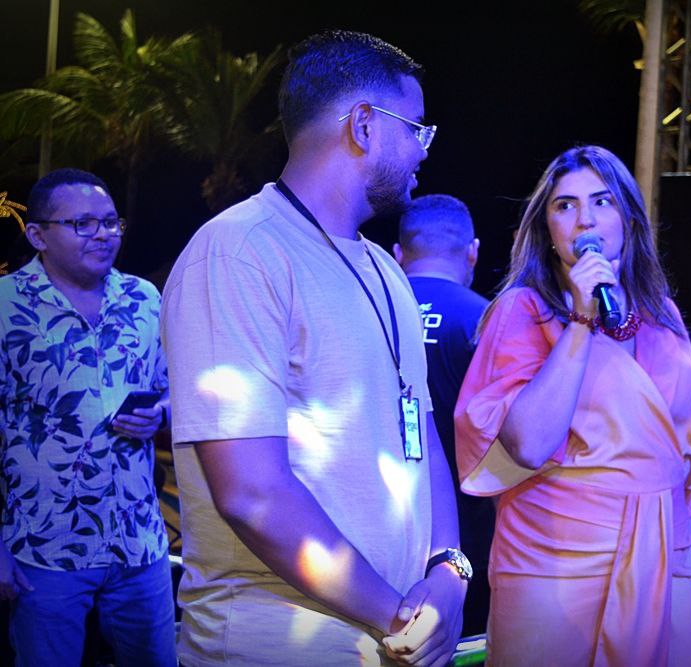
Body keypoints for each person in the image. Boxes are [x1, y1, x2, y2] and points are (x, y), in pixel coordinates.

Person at [161, 30, 466, 666]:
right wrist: (397, 615)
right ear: (363, 125)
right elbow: (252, 493)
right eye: (416, 128)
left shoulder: (385, 270)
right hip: (273, 647)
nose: (423, 149)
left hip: (390, 641)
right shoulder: (239, 253)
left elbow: (422, 434)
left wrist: (448, 569)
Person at [454, 145, 691, 666]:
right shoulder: (522, 311)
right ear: (548, 230)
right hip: (556, 568)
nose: (586, 219)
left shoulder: (663, 315)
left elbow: (687, 461)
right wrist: (580, 321)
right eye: (566, 206)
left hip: (667, 558)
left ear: (628, 218)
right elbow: (528, 444)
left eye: (602, 202)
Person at [0, 168, 174, 666]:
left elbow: (172, 389)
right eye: (83, 224)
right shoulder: (7, 306)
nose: (103, 234)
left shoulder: (143, 299)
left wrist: (159, 413)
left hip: (139, 542)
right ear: (38, 236)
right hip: (44, 548)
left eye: (111, 222)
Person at [392, 194, 493, 636]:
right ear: (472, 251)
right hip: (469, 540)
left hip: (376, 533)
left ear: (398, 254)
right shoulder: (487, 321)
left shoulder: (367, 312)